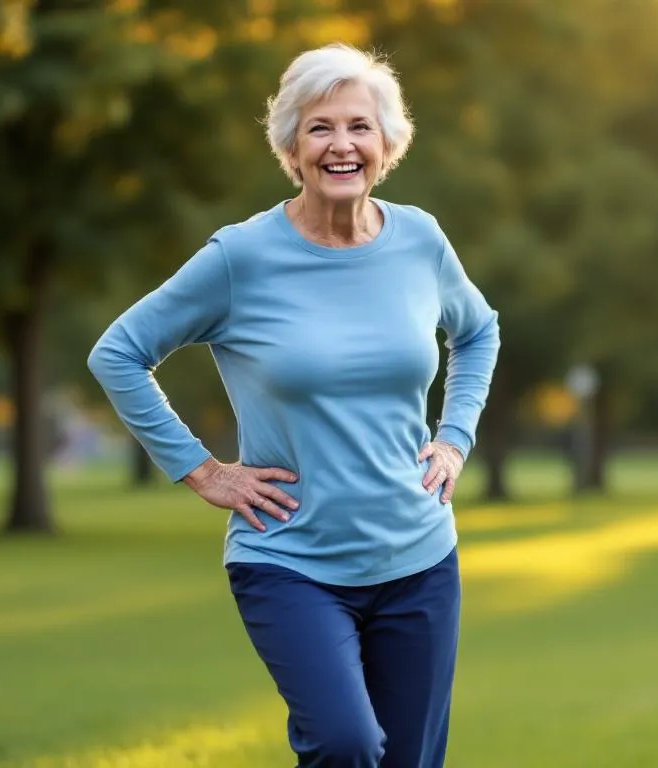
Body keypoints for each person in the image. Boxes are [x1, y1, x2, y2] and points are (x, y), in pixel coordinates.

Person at [87, 43, 500, 768]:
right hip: (291, 560)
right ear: (291, 146)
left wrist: (455, 436)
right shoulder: (240, 258)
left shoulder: (421, 240)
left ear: (387, 142)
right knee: (344, 745)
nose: (342, 145)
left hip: (418, 557)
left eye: (359, 126)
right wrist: (202, 470)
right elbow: (118, 353)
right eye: (319, 127)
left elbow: (479, 330)